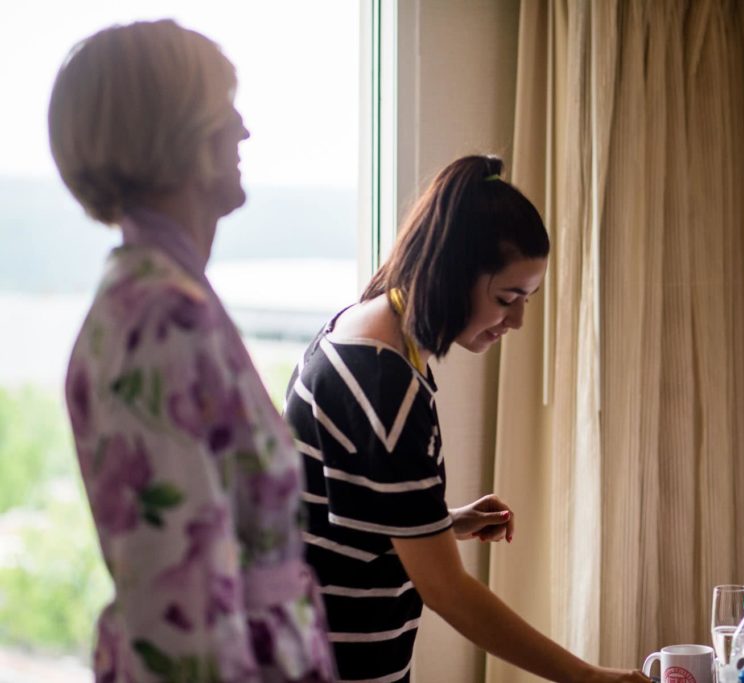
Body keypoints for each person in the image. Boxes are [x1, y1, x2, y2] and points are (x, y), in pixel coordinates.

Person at [284, 155, 649, 683]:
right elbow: (447, 592)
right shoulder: (385, 383)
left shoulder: (361, 326)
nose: (518, 320)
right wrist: (587, 676)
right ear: (453, 277)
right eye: (507, 298)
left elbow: (341, 515)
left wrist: (440, 523)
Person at [52, 20, 334, 682]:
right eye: (225, 107)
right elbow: (182, 620)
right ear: (177, 129)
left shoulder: (168, 297)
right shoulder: (157, 319)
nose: (243, 131)